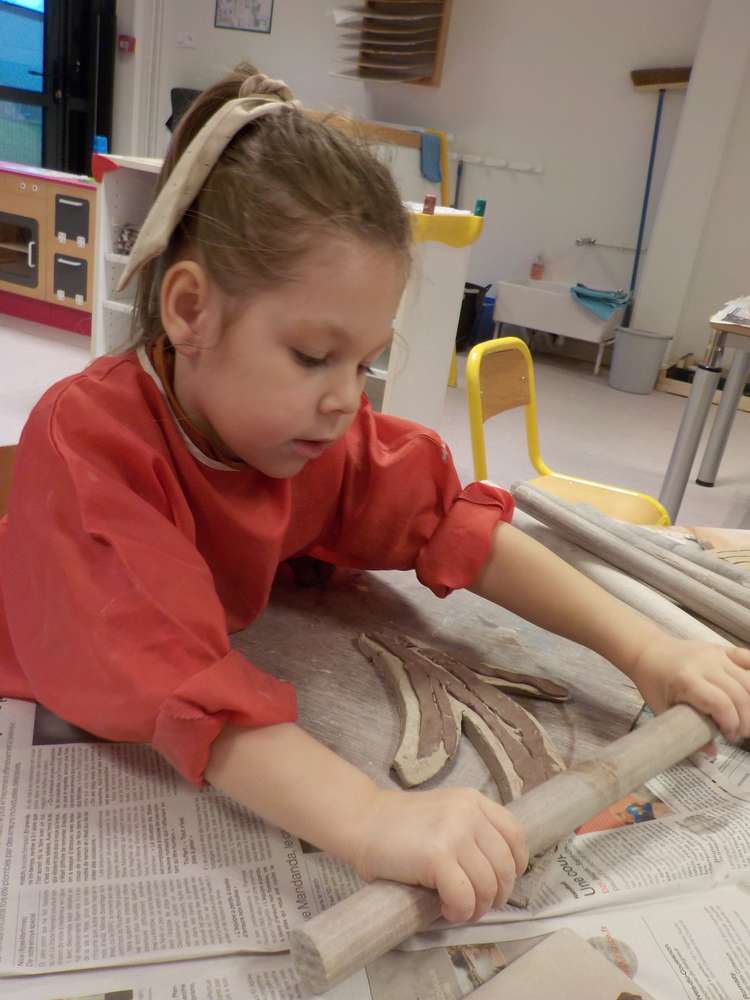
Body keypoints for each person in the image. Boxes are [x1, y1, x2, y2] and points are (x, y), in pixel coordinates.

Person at [1, 65, 749, 927]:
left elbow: (454, 524)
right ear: (190, 311)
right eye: (314, 356)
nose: (345, 399)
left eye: (366, 362)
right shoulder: (90, 444)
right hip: (53, 681)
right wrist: (369, 819)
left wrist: (649, 651)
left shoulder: (313, 430)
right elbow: (172, 678)